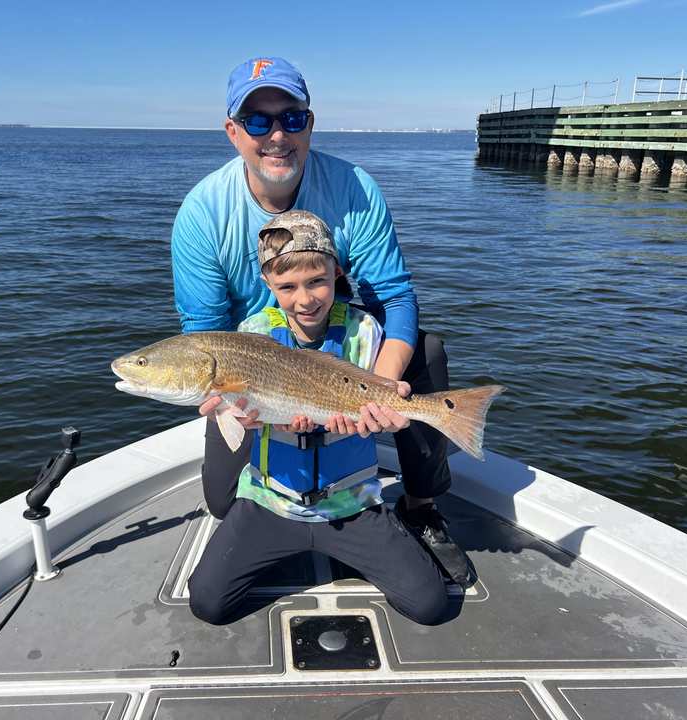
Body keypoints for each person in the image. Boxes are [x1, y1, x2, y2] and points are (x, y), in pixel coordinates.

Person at [171, 56, 469, 584]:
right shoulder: (202, 214)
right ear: (233, 131)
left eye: (292, 117)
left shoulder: (354, 187)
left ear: (310, 122)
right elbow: (205, 337)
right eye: (259, 121)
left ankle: (419, 507)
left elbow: (394, 299)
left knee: (429, 351)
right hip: (254, 365)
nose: (277, 135)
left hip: (343, 351)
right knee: (220, 502)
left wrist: (382, 388)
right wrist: (252, 406)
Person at [187, 211, 448, 625]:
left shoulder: (364, 331)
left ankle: (400, 519)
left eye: (317, 282)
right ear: (267, 284)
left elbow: (379, 399)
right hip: (271, 502)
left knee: (431, 606)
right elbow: (237, 419)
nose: (305, 299)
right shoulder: (251, 332)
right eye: (287, 287)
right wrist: (233, 413)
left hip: (353, 504)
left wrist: (398, 416)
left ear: (337, 273)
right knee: (206, 603)